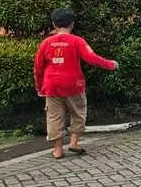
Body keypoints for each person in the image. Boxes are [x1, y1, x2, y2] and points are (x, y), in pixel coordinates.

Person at [34, 8, 117, 159]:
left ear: (54, 24)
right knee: (78, 113)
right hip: (74, 84)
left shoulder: (45, 43)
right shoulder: (77, 41)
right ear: (72, 24)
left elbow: (38, 68)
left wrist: (40, 87)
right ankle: (74, 142)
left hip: (51, 85)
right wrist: (110, 64)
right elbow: (92, 58)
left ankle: (58, 150)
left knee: (54, 117)